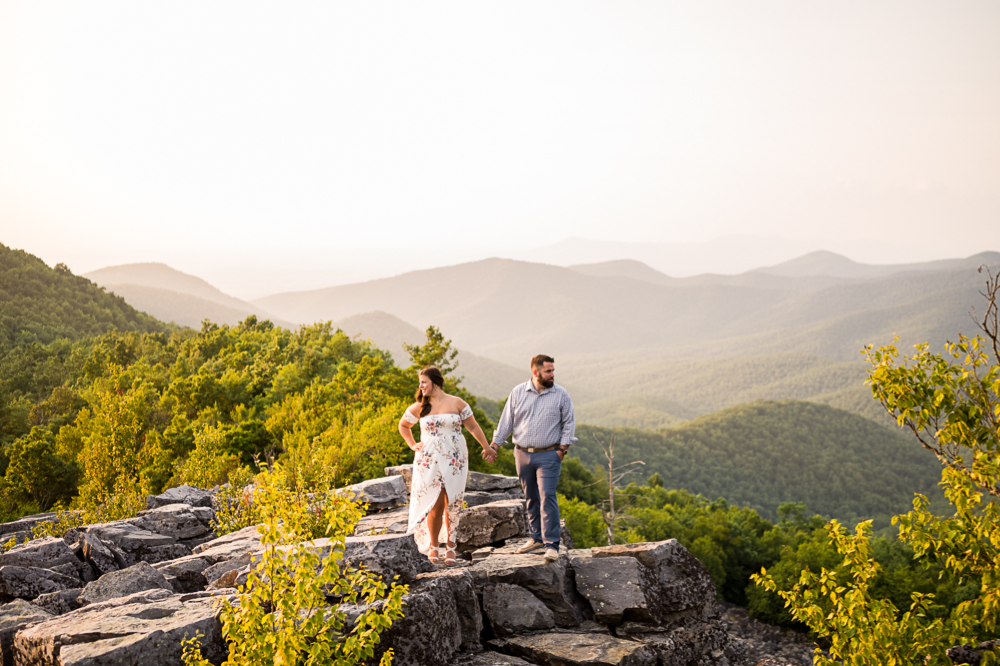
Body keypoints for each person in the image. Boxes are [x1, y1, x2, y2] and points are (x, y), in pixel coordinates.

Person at [398, 366, 496, 565]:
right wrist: (412, 444)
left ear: (435, 382)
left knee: (453, 500)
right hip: (429, 459)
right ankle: (434, 546)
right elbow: (403, 425)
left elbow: (473, 426)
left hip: (454, 457)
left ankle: (451, 547)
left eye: (424, 382)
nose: (421, 386)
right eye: (420, 383)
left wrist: (486, 447)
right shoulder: (419, 407)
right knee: (434, 502)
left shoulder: (457, 403)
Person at [489, 354, 575, 563]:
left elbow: (569, 423)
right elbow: (506, 422)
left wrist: (562, 450)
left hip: (549, 454)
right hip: (522, 453)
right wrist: (494, 445)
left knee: (548, 495)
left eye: (553, 370)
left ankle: (552, 544)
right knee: (531, 497)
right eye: (548, 371)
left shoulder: (561, 394)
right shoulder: (518, 392)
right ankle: (536, 538)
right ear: (535, 372)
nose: (552, 374)